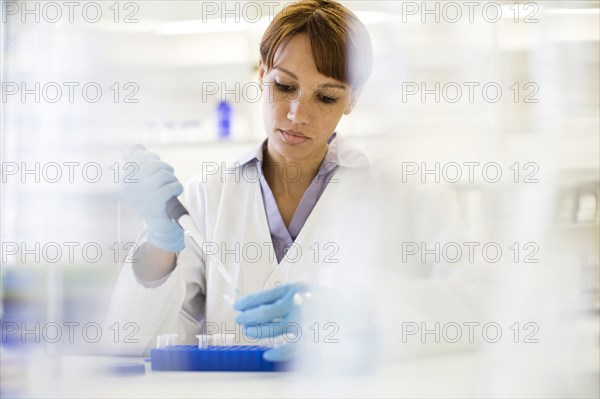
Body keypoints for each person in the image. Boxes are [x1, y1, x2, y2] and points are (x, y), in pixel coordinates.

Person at [104, 0, 495, 362]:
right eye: (285, 86)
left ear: (353, 99)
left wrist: (356, 312)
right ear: (261, 74)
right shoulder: (206, 198)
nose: (297, 114)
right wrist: (158, 246)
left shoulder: (409, 193)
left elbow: (485, 304)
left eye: (326, 97)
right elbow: (132, 345)